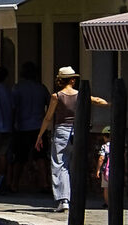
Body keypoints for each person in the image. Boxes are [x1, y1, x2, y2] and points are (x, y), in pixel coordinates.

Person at [37, 66, 107, 213]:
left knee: (60, 165)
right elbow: (98, 100)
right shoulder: (80, 94)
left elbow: (48, 118)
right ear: (73, 80)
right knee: (74, 166)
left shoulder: (56, 96)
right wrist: (112, 104)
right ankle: (74, 197)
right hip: (77, 132)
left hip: (61, 132)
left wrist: (40, 136)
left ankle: (64, 200)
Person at [10, 60, 51, 194]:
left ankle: (14, 184)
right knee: (41, 156)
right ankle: (44, 183)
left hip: (22, 126)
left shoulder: (18, 88)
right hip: (39, 127)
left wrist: (12, 124)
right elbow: (50, 105)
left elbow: (13, 107)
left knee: (19, 157)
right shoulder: (41, 88)